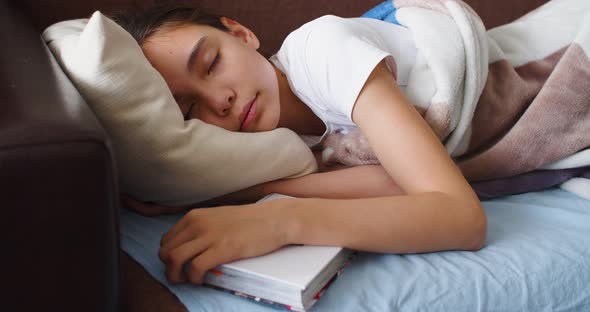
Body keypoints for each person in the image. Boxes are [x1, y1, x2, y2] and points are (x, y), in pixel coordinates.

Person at [113, 5, 487, 285]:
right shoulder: (276, 145)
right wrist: (211, 194)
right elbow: (397, 184)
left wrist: (280, 221)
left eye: (211, 63)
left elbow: (460, 216)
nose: (219, 99)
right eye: (191, 109)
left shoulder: (323, 51)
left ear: (241, 34)